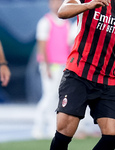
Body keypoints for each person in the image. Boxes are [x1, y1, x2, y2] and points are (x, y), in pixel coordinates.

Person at [50, 0, 115, 150]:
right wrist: (88, 6)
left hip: (108, 78)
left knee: (114, 133)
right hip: (79, 73)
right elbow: (62, 11)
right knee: (64, 131)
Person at [32, 0, 72, 139]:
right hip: (50, 66)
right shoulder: (45, 22)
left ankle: (51, 128)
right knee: (48, 97)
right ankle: (37, 127)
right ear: (50, 4)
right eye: (55, 2)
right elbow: (42, 46)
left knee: (57, 98)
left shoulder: (66, 23)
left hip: (62, 66)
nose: (57, 5)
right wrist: (46, 67)